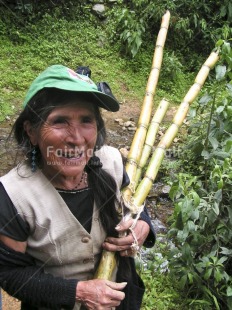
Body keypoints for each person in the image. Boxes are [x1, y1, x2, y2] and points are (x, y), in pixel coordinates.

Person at [0, 65, 155, 309]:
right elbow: (10, 273)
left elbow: (134, 205)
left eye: (86, 121)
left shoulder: (112, 161)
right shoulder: (13, 195)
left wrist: (144, 225)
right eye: (60, 121)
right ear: (31, 131)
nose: (76, 138)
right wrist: (79, 292)